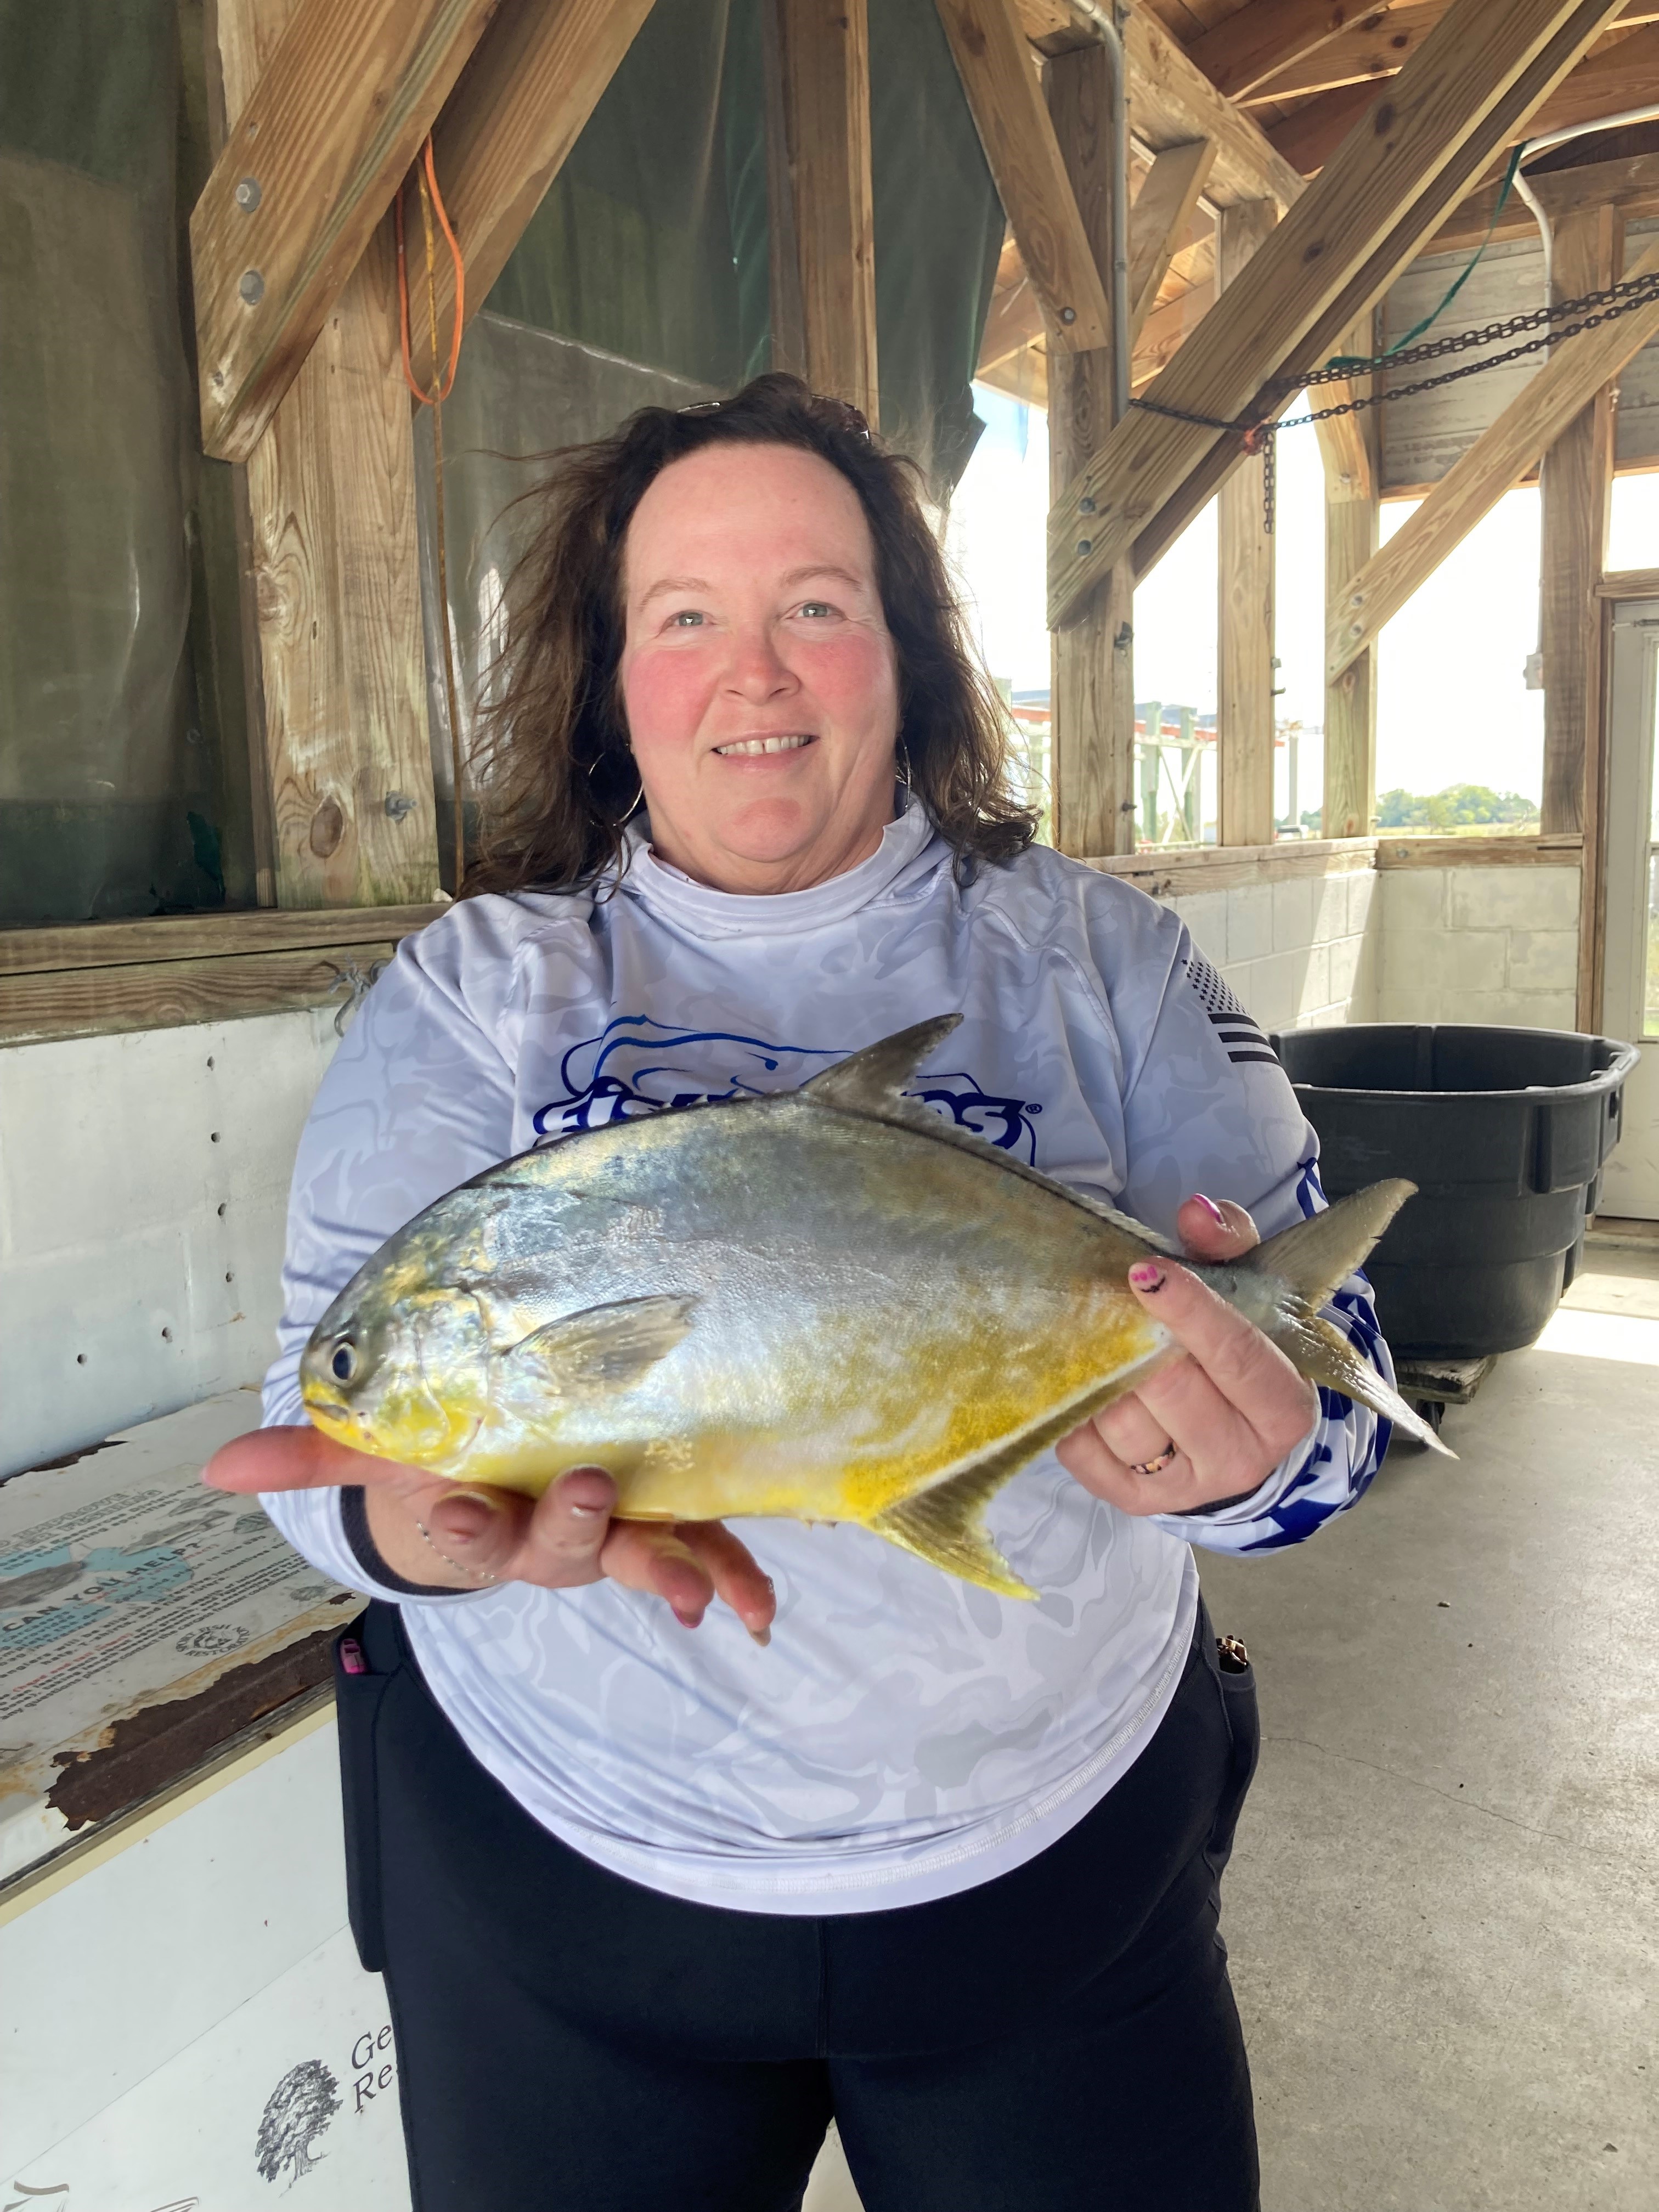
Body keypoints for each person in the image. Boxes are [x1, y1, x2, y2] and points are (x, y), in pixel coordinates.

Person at [206, 374, 1395, 2212]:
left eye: (814, 608)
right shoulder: (461, 995)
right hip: (566, 1889)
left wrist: (1249, 1461)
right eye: (685, 618)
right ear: (614, 678)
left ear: (904, 655)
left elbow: (1336, 1418)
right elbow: (330, 1425)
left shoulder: (1109, 960)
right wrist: (416, 1532)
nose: (750, 676)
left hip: (1055, 1877)